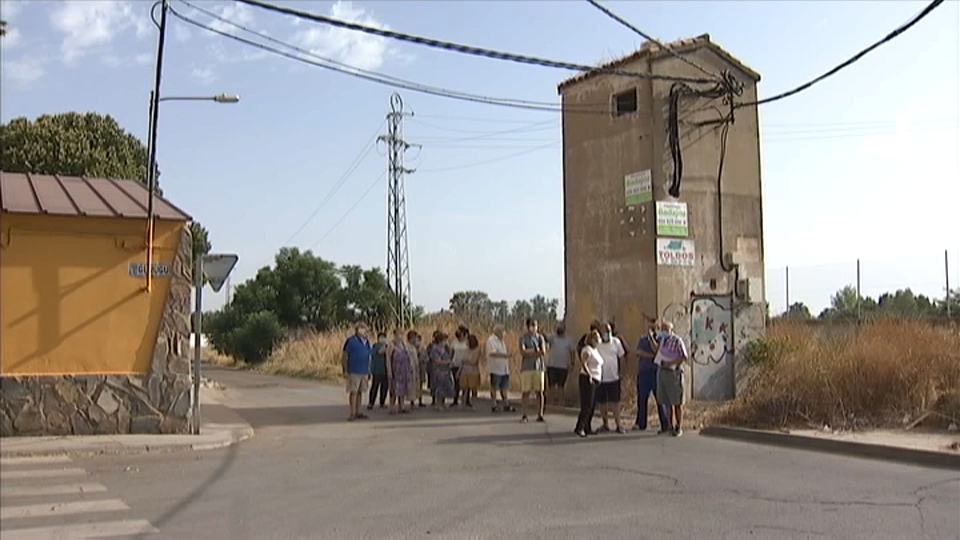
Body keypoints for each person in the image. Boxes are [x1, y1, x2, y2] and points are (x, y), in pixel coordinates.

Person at [655, 321, 689, 437]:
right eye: (662, 329)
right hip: (662, 372)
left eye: (665, 329)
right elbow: (658, 352)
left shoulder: (677, 340)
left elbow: (684, 356)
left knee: (677, 402)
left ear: (670, 329)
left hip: (673, 373)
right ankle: (670, 426)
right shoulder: (662, 340)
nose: (663, 331)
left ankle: (679, 426)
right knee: (667, 401)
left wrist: (671, 363)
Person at [635, 323, 671, 433]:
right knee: (642, 398)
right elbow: (639, 352)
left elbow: (657, 350)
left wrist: (652, 340)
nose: (653, 330)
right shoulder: (642, 340)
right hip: (644, 372)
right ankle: (641, 423)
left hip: (656, 372)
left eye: (656, 328)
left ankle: (664, 424)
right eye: (651, 328)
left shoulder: (662, 339)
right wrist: (652, 356)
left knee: (660, 399)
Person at [595, 322, 626, 434]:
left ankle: (618, 425)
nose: (606, 333)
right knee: (602, 403)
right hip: (601, 378)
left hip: (614, 377)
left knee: (615, 402)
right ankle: (605, 424)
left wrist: (621, 372)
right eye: (604, 331)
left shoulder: (616, 342)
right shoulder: (597, 343)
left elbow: (621, 357)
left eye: (608, 331)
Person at [575, 330, 603, 438]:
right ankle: (580, 427)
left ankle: (587, 427)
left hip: (596, 379)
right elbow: (584, 363)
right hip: (587, 379)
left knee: (592, 406)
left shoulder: (595, 350)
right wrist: (589, 374)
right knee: (587, 405)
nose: (598, 340)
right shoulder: (587, 350)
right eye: (597, 339)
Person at [341, 322, 372, 421]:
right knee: (353, 391)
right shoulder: (351, 341)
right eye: (362, 328)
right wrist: (345, 369)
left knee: (360, 392)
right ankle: (352, 413)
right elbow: (345, 355)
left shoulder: (366, 342)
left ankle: (359, 411)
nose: (364, 331)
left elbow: (369, 356)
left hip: (364, 370)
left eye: (365, 329)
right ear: (357, 329)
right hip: (354, 370)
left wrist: (369, 370)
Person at [518, 317, 547, 423]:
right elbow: (523, 352)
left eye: (535, 325)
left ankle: (540, 414)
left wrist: (532, 351)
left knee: (540, 392)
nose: (534, 327)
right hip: (527, 368)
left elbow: (543, 351)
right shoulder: (523, 338)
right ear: (528, 326)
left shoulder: (540, 338)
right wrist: (535, 350)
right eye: (532, 325)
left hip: (539, 367)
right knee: (526, 392)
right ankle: (524, 415)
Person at [486, 324, 515, 413]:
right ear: (498, 331)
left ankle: (506, 404)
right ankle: (494, 405)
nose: (504, 333)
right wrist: (505, 356)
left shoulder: (502, 341)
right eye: (503, 331)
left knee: (504, 387)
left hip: (504, 368)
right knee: (494, 387)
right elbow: (492, 353)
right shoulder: (491, 340)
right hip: (496, 368)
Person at [546, 323, 576, 406]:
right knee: (551, 385)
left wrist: (572, 363)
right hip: (552, 365)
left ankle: (560, 403)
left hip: (563, 366)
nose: (559, 328)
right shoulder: (552, 337)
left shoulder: (569, 340)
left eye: (561, 327)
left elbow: (572, 352)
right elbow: (544, 339)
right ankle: (550, 403)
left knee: (561, 386)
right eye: (558, 327)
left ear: (564, 329)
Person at [386, 329, 414, 415]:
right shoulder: (391, 345)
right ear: (395, 335)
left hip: (404, 370)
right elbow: (388, 358)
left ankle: (401, 406)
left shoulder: (403, 345)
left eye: (402, 334)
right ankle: (391, 407)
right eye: (399, 334)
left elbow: (408, 356)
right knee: (394, 389)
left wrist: (411, 366)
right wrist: (389, 370)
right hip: (395, 369)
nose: (400, 336)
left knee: (402, 389)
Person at [427, 330, 456, 410]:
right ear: (439, 341)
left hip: (446, 371)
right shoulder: (435, 349)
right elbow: (437, 361)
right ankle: (438, 404)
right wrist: (448, 362)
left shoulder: (445, 349)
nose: (445, 342)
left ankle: (443, 403)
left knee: (445, 387)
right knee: (439, 388)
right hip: (438, 371)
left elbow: (450, 355)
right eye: (444, 340)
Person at [459, 334, 482, 409]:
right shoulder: (466, 349)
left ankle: (473, 403)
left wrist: (466, 361)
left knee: (473, 388)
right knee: (464, 388)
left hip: (473, 371)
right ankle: (463, 403)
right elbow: (462, 360)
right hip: (465, 370)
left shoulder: (477, 349)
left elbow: (474, 361)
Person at [367, 332, 389, 410]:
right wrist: (385, 347)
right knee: (375, 386)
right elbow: (379, 352)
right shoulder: (375, 346)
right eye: (381, 337)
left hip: (385, 369)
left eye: (384, 337)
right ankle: (371, 402)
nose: (383, 339)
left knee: (385, 387)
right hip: (377, 370)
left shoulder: (388, 346)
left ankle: (382, 402)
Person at [451, 326, 470, 407]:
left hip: (465, 365)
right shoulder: (454, 342)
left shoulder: (467, 343)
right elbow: (451, 352)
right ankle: (455, 399)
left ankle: (467, 400)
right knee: (456, 383)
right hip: (455, 364)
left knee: (466, 383)